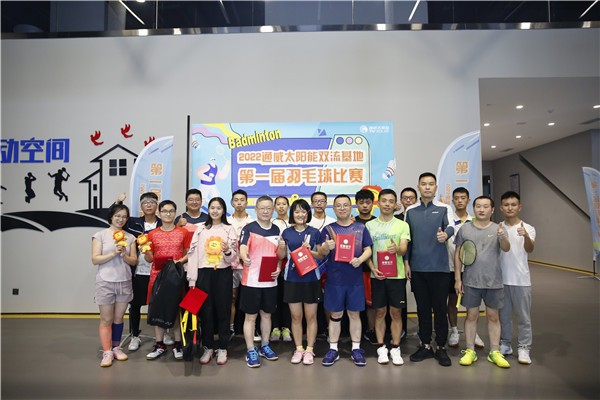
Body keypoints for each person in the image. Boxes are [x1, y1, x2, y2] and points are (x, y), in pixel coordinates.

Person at [454, 196, 511, 368]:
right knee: (471, 316)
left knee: (493, 316)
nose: (481, 209)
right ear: (474, 208)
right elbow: (458, 254)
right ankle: (470, 350)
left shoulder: (498, 228)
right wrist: (458, 279)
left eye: (486, 206)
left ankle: (494, 351)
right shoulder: (465, 229)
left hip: (494, 281)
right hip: (471, 281)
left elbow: (506, 248)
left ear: (492, 210)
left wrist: (503, 237)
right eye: (478, 206)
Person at [405, 172, 455, 367]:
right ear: (418, 187)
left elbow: (451, 227)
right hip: (418, 269)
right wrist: (407, 263)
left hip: (440, 269)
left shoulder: (444, 208)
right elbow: (407, 239)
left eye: (431, 184)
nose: (427, 187)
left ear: (435, 187)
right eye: (424, 184)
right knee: (422, 309)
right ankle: (425, 345)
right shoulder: (411, 211)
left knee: (440, 309)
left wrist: (446, 235)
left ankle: (441, 346)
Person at [318, 194, 373, 367]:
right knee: (335, 315)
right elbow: (321, 253)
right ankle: (333, 349)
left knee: (354, 314)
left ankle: (356, 349)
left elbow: (368, 249)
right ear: (334, 209)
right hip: (335, 280)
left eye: (345, 205)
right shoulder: (328, 229)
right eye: (338, 205)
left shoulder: (360, 228)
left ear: (351, 207)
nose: (342, 208)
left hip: (355, 280)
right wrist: (326, 247)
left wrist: (360, 259)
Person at [187, 197, 238, 365]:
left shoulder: (229, 229)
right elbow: (193, 256)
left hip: (223, 274)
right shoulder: (201, 229)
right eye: (212, 208)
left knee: (223, 310)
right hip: (203, 274)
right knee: (206, 311)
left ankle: (222, 347)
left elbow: (233, 258)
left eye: (219, 208)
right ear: (208, 210)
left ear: (224, 211)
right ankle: (208, 347)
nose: (215, 211)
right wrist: (192, 279)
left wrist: (227, 250)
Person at [239, 196, 286, 368]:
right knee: (250, 317)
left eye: (268, 208)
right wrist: (244, 257)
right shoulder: (249, 228)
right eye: (262, 208)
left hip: (270, 280)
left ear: (273, 210)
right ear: (256, 210)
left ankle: (265, 345)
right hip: (251, 280)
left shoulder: (276, 229)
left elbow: (280, 255)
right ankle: (251, 349)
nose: (265, 211)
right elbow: (243, 247)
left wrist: (279, 266)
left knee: (267, 315)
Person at [366, 189, 410, 365]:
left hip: (397, 276)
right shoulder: (370, 225)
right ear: (378, 203)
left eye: (391, 201)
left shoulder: (402, 225)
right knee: (380, 312)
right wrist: (372, 268)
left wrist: (397, 249)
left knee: (396, 312)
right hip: (377, 275)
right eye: (384, 201)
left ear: (395, 204)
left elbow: (404, 249)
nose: (387, 204)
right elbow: (367, 251)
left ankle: (396, 347)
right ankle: (381, 347)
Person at [114, 192, 162, 351]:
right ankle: (135, 335)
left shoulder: (163, 223)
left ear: (157, 205)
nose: (148, 205)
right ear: (141, 206)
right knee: (135, 305)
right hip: (138, 271)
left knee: (160, 304)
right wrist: (118, 202)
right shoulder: (133, 223)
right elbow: (115, 218)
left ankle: (163, 334)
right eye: (145, 202)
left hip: (158, 271)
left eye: (152, 202)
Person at [91, 204, 137, 367]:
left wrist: (124, 254)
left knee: (118, 318)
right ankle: (107, 351)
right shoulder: (100, 235)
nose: (120, 219)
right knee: (106, 319)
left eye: (124, 217)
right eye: (118, 216)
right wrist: (112, 253)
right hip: (105, 281)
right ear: (111, 217)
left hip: (124, 281)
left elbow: (134, 261)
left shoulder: (130, 237)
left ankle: (116, 347)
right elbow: (95, 259)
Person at [144, 200, 190, 361]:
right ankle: (160, 345)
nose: (168, 214)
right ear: (159, 213)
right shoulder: (151, 234)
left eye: (171, 211)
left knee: (175, 310)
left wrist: (178, 262)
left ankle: (178, 344)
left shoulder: (183, 232)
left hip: (175, 277)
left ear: (175, 213)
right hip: (157, 277)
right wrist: (145, 251)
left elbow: (189, 253)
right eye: (164, 211)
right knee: (157, 310)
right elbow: (149, 259)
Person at [281, 199, 323, 365]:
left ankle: (310, 349)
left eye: (303, 211)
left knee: (311, 317)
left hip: (311, 278)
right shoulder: (286, 233)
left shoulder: (315, 232)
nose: (300, 214)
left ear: (308, 213)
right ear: (292, 214)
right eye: (296, 211)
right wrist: (281, 247)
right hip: (292, 279)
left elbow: (321, 255)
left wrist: (310, 251)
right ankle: (298, 348)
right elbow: (281, 256)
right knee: (296, 316)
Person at [498, 191, 536, 365]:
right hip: (501, 280)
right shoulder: (498, 227)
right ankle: (505, 344)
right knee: (504, 317)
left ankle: (524, 348)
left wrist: (526, 236)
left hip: (521, 280)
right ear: (501, 208)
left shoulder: (528, 227)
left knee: (523, 317)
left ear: (519, 207)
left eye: (513, 204)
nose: (510, 208)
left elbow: (530, 249)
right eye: (506, 205)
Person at [446, 187, 485, 349]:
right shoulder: (447, 220)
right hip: (450, 267)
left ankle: (473, 332)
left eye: (463, 198)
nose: (460, 200)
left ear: (468, 200)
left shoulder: (475, 221)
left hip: (471, 269)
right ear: (452, 201)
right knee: (452, 300)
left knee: (472, 302)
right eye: (456, 198)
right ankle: (454, 330)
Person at [227, 189, 256, 340]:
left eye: (242, 200)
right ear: (232, 203)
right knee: (232, 297)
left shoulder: (252, 222)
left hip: (248, 266)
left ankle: (253, 329)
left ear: (246, 202)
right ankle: (231, 327)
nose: (239, 203)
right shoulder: (226, 221)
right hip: (230, 266)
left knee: (250, 298)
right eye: (236, 200)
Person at [353, 189, 378, 346]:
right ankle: (355, 332)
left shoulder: (376, 222)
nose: (364, 205)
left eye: (367, 202)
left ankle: (371, 330)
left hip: (372, 269)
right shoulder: (351, 222)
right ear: (356, 204)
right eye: (361, 202)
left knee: (371, 304)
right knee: (355, 303)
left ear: (372, 204)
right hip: (353, 269)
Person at [395, 187, 417, 339]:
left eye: (411, 198)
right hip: (398, 261)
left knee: (420, 297)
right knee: (399, 296)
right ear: (401, 201)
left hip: (417, 261)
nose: (408, 200)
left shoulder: (419, 216)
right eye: (405, 198)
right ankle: (399, 329)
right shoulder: (397, 218)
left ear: (416, 200)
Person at [270, 195, 292, 342]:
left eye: (284, 204)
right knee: (274, 298)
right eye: (278, 204)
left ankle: (287, 328)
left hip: (290, 266)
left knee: (287, 298)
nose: (281, 207)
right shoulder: (271, 223)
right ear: (274, 207)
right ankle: (275, 328)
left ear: (288, 206)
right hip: (273, 265)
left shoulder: (293, 223)